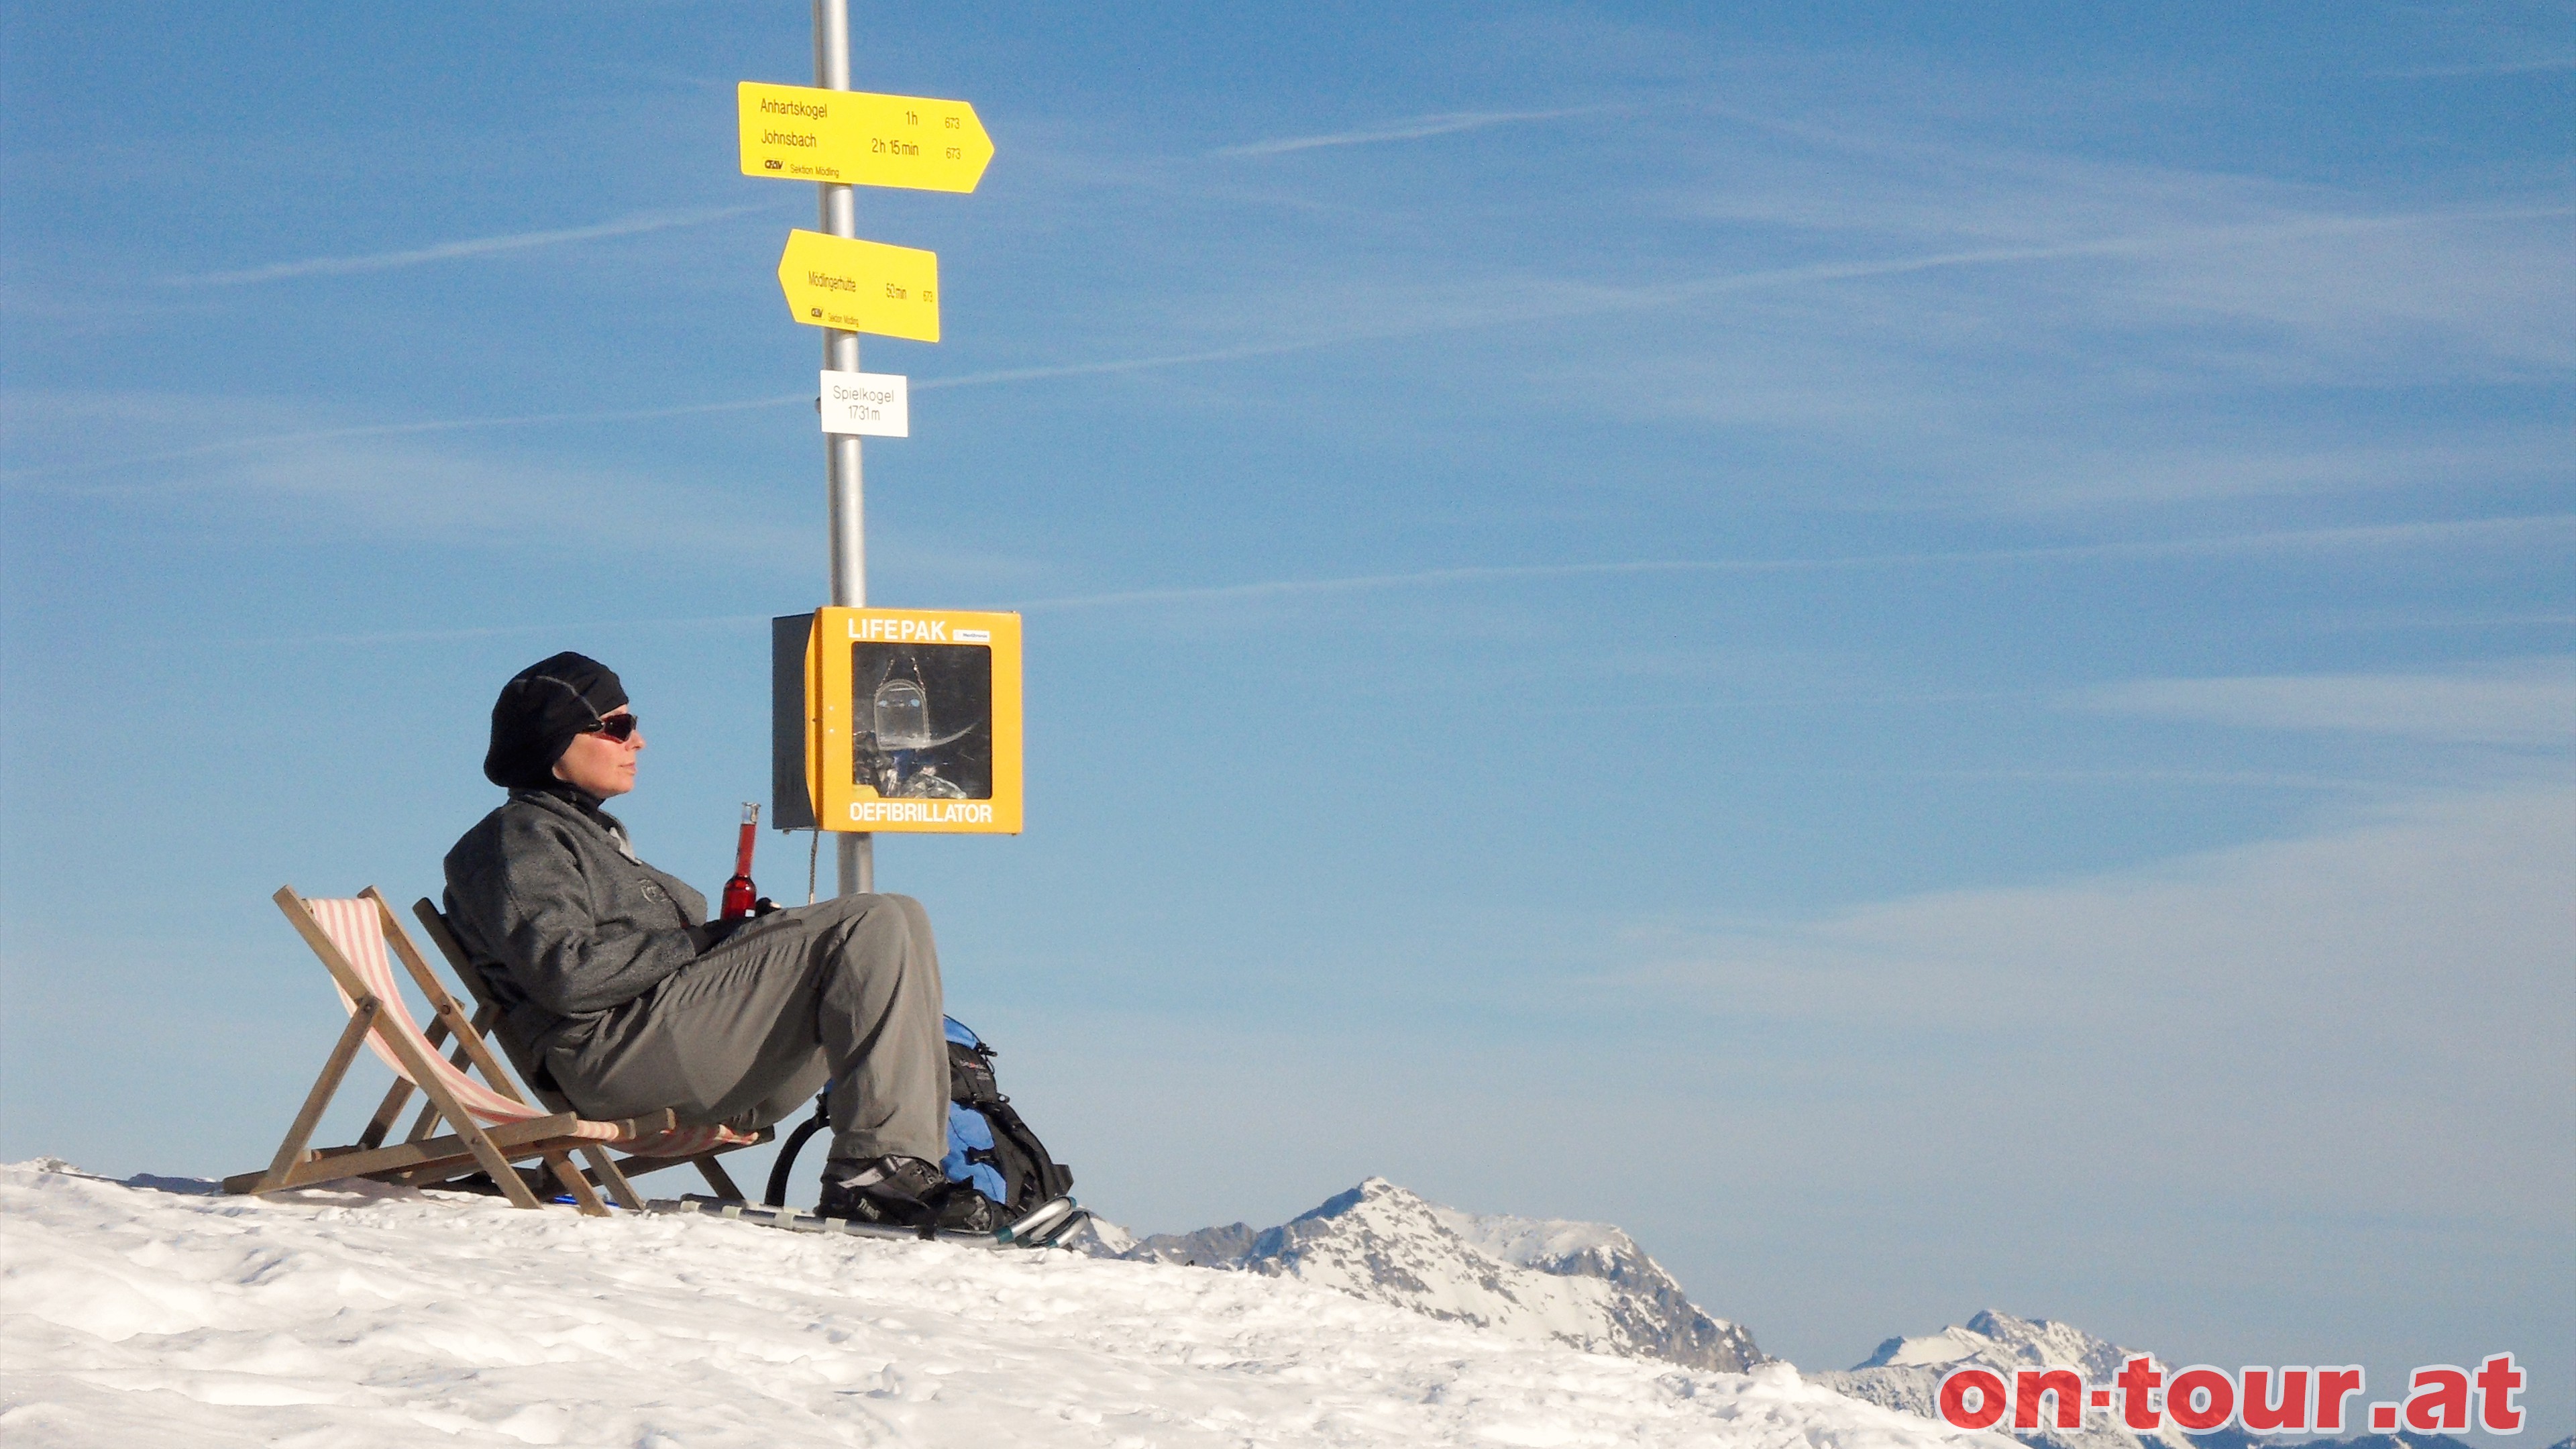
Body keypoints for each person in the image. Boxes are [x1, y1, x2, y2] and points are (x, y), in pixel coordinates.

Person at [441, 651, 963, 1226]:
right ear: (554, 743)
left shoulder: (587, 835)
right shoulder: (518, 838)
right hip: (612, 1060)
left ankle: (907, 1162)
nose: (637, 742)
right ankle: (875, 1168)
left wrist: (743, 938)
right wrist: (709, 939)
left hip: (666, 1051)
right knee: (871, 922)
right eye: (617, 726)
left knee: (901, 917)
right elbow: (567, 974)